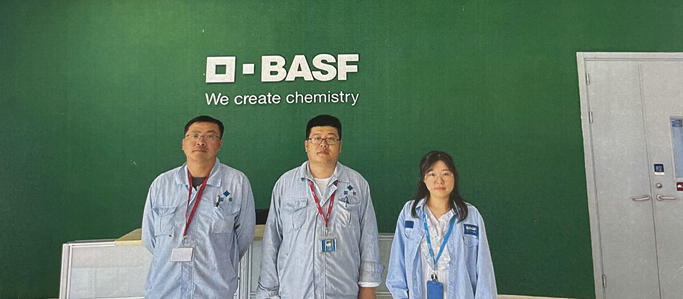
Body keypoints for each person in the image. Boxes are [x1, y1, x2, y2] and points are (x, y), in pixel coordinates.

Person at [257, 114, 383, 299]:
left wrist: (368, 287)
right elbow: (272, 241)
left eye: (331, 139)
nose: (323, 144)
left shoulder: (357, 184)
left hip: (343, 291)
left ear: (340, 146)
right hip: (295, 292)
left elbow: (368, 238)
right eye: (316, 138)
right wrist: (268, 292)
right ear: (306, 145)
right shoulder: (285, 184)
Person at [141, 115, 256, 299]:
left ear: (220, 144)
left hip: (214, 290)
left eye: (210, 136)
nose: (200, 141)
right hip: (165, 289)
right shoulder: (162, 184)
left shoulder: (236, 182)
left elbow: (244, 236)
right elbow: (150, 238)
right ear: (183, 143)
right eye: (194, 135)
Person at [386, 151, 497, 299]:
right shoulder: (409, 213)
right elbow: (397, 267)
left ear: (454, 177)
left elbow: (484, 272)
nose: (439, 180)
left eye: (445, 174)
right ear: (424, 178)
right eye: (432, 174)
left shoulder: (471, 216)